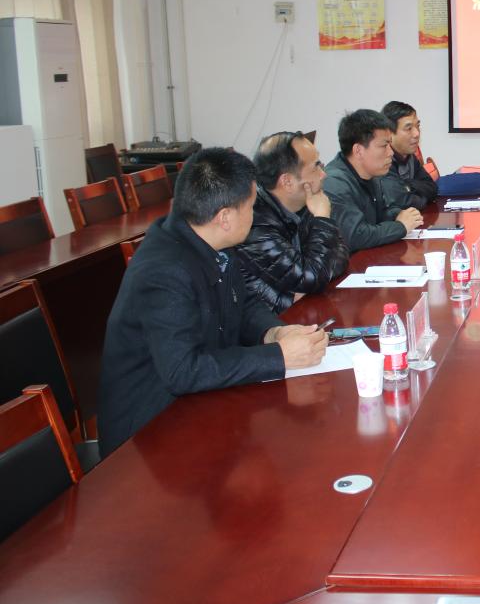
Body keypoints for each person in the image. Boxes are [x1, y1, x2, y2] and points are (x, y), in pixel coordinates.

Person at [98, 147, 327, 457]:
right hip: (146, 438)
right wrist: (278, 356)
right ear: (225, 218)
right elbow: (183, 371)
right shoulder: (162, 272)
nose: (255, 214)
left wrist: (273, 332)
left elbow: (242, 303)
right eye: (251, 206)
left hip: (200, 404)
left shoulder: (210, 240)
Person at [236, 131, 350, 313]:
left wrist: (313, 278)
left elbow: (341, 256)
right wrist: (322, 218)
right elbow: (312, 277)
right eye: (316, 167)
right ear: (287, 182)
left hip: (303, 312)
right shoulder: (255, 223)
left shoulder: (304, 203)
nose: (323, 174)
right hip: (275, 323)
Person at [324, 109, 424, 252]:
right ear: (358, 150)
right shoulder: (334, 183)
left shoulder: (371, 174)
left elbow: (381, 214)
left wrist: (399, 214)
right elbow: (355, 236)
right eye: (384, 146)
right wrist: (401, 226)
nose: (391, 152)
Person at [380, 101, 438, 211]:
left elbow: (432, 189)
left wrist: (407, 184)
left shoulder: (410, 157)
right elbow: (403, 202)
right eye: (409, 128)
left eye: (418, 126)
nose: (417, 134)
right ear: (389, 133)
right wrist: (418, 192)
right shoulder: (383, 160)